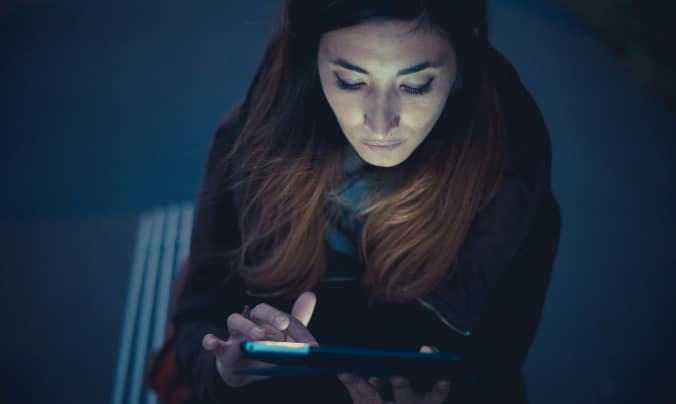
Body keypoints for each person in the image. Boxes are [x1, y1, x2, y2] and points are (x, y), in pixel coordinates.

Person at [171, 0, 561, 403]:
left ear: (464, 61)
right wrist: (224, 372)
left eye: (415, 85)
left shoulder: (509, 185)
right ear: (312, 59)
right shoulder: (252, 143)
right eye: (350, 81)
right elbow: (196, 320)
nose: (380, 123)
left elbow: (496, 372)